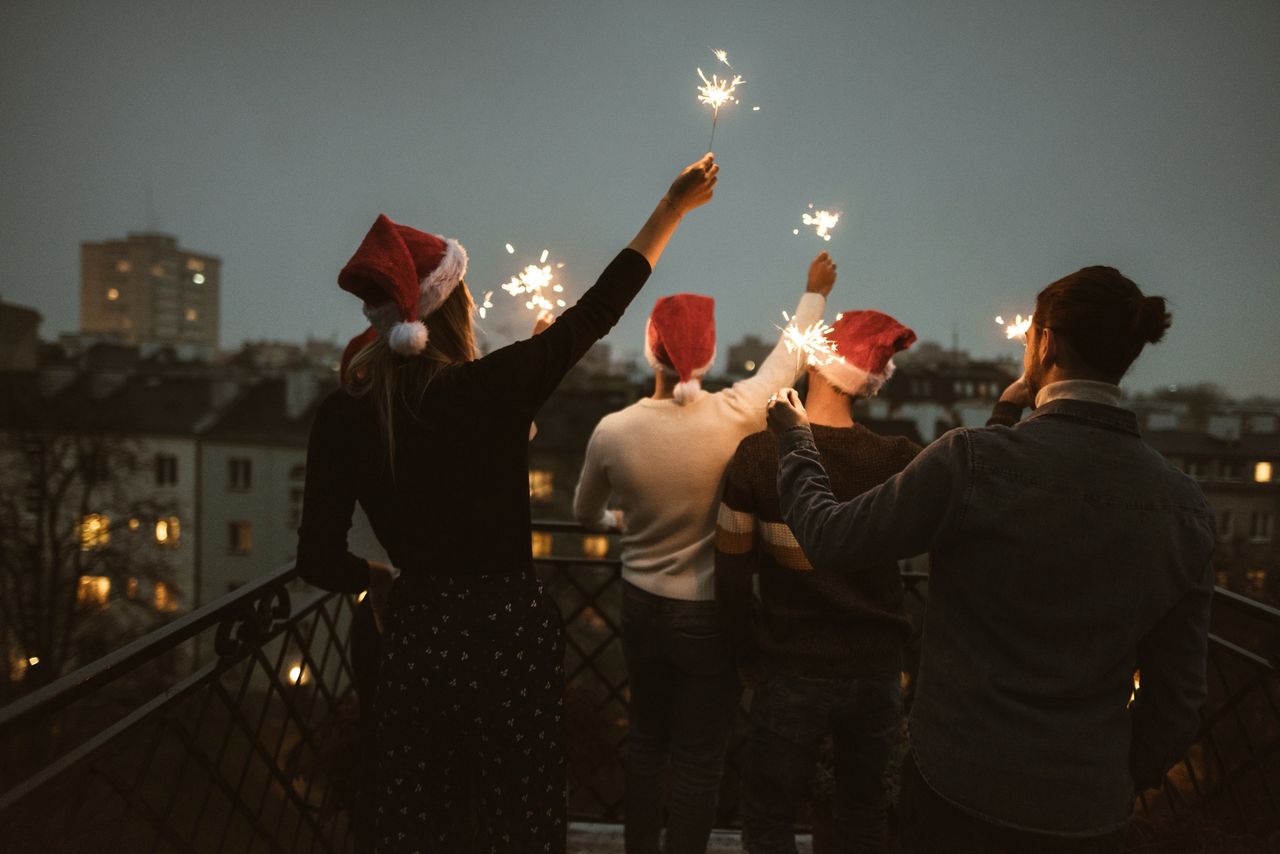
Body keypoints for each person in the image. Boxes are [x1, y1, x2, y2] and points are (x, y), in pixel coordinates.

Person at [294, 153, 719, 853]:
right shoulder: (490, 389)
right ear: (452, 306)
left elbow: (317, 556)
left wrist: (376, 580)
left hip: (415, 636)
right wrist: (670, 209)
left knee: (416, 821)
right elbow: (598, 311)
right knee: (516, 818)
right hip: (505, 638)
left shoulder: (344, 413)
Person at [766, 266, 1215, 853]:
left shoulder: (970, 461)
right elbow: (1179, 696)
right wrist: (1120, 776)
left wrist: (795, 441)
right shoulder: (1184, 508)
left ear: (1046, 342)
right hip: (1087, 807)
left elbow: (830, 537)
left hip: (961, 787)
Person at [572, 252, 836, 854]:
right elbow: (789, 360)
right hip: (708, 614)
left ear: (651, 348)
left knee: (645, 743)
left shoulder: (613, 430)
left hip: (639, 606)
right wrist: (813, 291)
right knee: (698, 756)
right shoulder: (737, 414)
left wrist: (619, 522)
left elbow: (582, 515)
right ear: (709, 353)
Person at [715, 310, 920, 854]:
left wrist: (747, 657)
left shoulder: (759, 456)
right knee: (864, 814)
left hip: (790, 666)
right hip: (876, 666)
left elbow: (731, 572)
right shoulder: (898, 461)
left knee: (769, 817)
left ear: (814, 358)